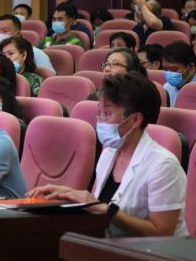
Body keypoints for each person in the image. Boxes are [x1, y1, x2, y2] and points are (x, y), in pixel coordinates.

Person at [30, 73, 187, 237]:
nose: (100, 120)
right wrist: (69, 195)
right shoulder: (109, 153)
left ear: (135, 120)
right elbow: (97, 206)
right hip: (109, 244)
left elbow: (162, 232)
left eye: (107, 113)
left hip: (149, 251)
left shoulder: (163, 165)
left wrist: (107, 211)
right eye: (99, 112)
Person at [161, 41, 196, 107]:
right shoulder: (166, 88)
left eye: (174, 69)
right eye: (165, 69)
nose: (169, 73)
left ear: (191, 67)